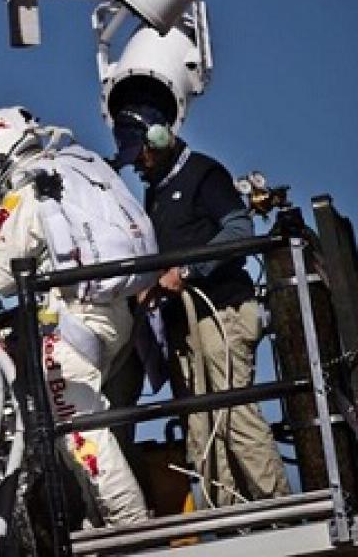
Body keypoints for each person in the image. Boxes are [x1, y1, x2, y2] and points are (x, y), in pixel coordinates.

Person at [0, 106, 154, 526]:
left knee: (81, 434)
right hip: (111, 315)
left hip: (74, 327)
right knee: (74, 431)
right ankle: (102, 522)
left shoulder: (26, 193)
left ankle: (132, 526)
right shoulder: (70, 172)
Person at [112, 103, 291, 508]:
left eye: (141, 153)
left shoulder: (204, 173)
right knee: (200, 426)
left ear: (159, 139)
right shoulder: (156, 191)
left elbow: (239, 228)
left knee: (234, 415)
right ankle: (225, 517)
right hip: (183, 324)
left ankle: (279, 509)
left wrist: (188, 270)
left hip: (221, 312)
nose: (137, 163)